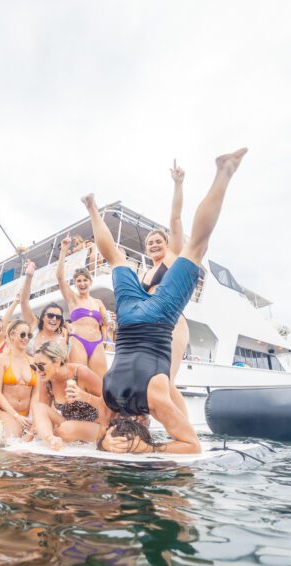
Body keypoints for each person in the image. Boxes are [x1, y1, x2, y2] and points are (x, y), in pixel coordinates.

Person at [82, 148, 248, 454]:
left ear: (145, 422)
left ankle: (225, 172)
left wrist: (152, 449)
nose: (155, 244)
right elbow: (100, 436)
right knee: (117, 257)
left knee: (194, 246)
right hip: (131, 320)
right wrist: (109, 441)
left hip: (156, 319)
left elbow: (191, 447)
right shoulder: (108, 396)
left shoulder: (153, 401)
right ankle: (92, 208)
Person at [140, 160, 189, 414]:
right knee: (154, 382)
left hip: (173, 325)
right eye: (150, 243)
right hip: (151, 327)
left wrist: (178, 184)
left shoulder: (172, 258)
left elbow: (176, 219)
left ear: (166, 244)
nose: (154, 245)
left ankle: (187, 432)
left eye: (159, 241)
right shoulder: (144, 271)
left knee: (167, 381)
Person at [30, 341, 102, 450]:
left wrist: (85, 397)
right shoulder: (46, 378)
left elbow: (110, 406)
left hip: (95, 426)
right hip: (67, 424)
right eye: (34, 366)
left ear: (58, 362)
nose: (38, 371)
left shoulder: (81, 373)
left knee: (64, 429)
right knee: (38, 407)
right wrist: (32, 433)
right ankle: (50, 439)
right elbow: (42, 411)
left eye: (41, 365)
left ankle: (53, 437)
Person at [56, 237, 108, 378]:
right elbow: (60, 277)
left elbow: (106, 322)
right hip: (78, 342)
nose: (82, 283)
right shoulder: (72, 299)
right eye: (79, 281)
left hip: (97, 343)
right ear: (75, 283)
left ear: (90, 282)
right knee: (79, 379)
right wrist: (63, 252)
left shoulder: (98, 302)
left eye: (85, 280)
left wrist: (111, 322)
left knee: (101, 380)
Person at [0, 319, 38, 438]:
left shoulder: (33, 362)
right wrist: (16, 416)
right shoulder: (1, 359)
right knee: (12, 437)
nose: (26, 338)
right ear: (12, 334)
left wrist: (31, 418)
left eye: (29, 335)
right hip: (4, 412)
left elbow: (35, 395)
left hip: (27, 414)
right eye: (22, 334)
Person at [19, 261, 68, 352]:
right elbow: (24, 302)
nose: (54, 319)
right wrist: (29, 277)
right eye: (50, 315)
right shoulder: (34, 325)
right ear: (42, 317)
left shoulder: (61, 341)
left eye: (58, 317)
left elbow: (61, 365)